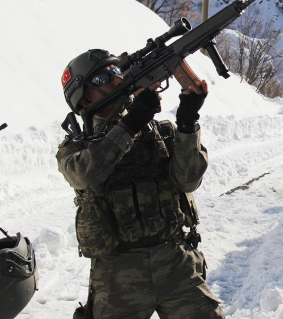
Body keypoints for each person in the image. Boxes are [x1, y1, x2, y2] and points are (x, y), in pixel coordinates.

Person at [56, 49, 225, 319]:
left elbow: (188, 180)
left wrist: (187, 123)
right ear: (85, 98)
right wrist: (131, 122)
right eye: (104, 77)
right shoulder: (76, 149)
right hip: (118, 274)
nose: (117, 79)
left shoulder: (159, 131)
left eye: (117, 72)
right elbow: (87, 175)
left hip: (175, 260)